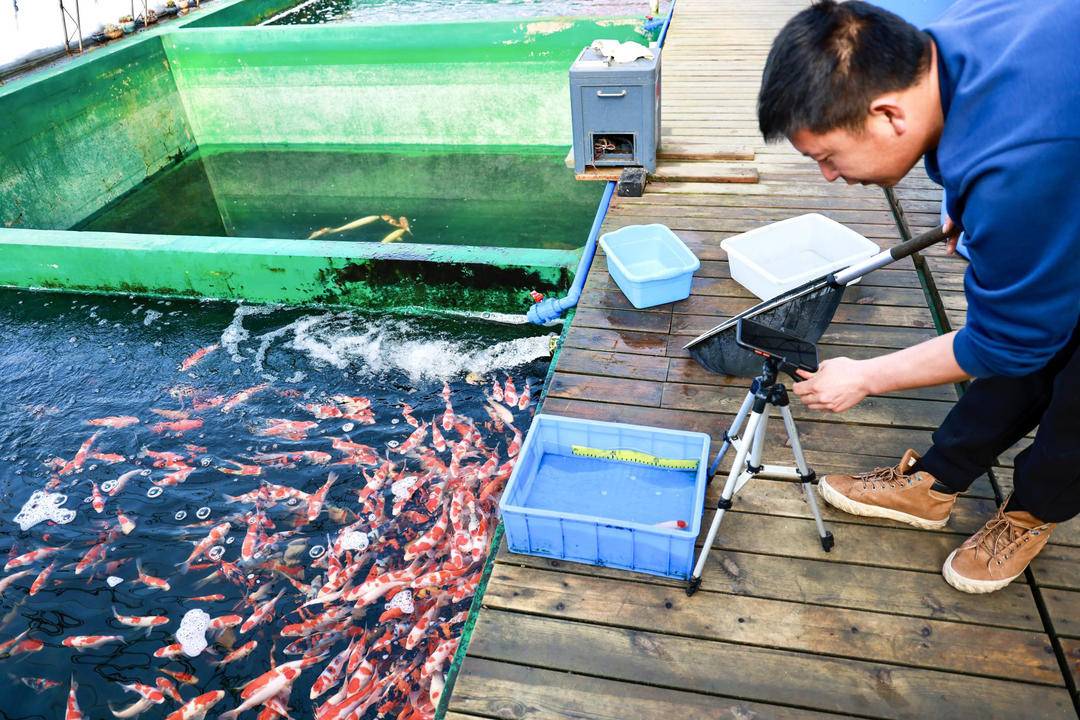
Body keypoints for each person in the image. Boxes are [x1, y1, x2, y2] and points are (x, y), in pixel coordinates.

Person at [756, 0, 1080, 594]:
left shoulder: (1019, 169)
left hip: (1053, 161)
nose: (828, 175)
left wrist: (866, 376)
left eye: (827, 156)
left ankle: (1032, 514)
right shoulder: (940, 35)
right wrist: (961, 198)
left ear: (886, 114)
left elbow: (1006, 343)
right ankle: (936, 481)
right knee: (1031, 327)